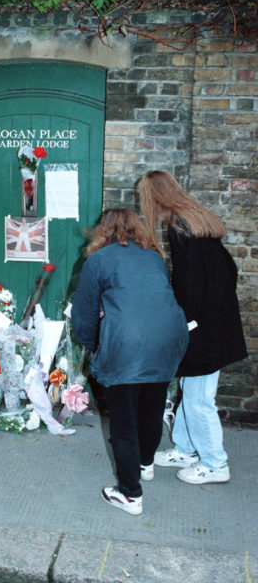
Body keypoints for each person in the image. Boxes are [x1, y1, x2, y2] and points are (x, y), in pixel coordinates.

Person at [71, 208, 189, 516]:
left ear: (102, 231)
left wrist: (92, 346)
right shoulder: (153, 257)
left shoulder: (98, 260)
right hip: (168, 338)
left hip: (126, 343)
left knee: (122, 422)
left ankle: (130, 494)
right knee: (152, 406)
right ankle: (144, 464)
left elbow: (83, 314)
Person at [139, 170, 247, 486]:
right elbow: (230, 269)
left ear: (155, 197)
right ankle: (186, 449)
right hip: (216, 322)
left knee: (199, 398)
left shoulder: (179, 227)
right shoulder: (199, 220)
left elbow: (187, 285)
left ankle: (215, 464)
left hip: (204, 328)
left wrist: (186, 322)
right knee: (191, 390)